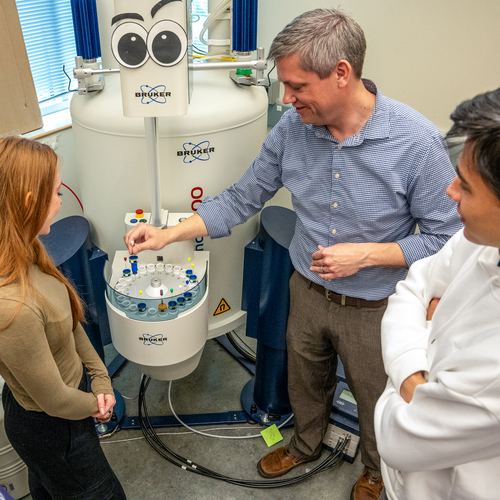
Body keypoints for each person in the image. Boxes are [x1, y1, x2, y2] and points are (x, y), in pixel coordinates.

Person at [124, 9, 461, 499]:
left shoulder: (417, 143)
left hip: (375, 305)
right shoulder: (291, 130)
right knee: (305, 381)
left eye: (297, 86)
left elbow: (444, 238)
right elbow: (244, 197)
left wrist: (367, 255)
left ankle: (374, 470)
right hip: (306, 290)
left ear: (342, 73)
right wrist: (168, 235)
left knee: (375, 398)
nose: (286, 100)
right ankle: (305, 444)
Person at [374, 89, 500, 500]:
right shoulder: (481, 239)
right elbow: (411, 287)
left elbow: (399, 437)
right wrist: (422, 379)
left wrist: (405, 375)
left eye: (465, 185)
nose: (450, 192)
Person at [0, 136, 127, 500]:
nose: (60, 202)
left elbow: (68, 323)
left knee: (51, 490)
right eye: (56, 193)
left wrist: (101, 379)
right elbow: (55, 400)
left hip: (71, 407)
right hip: (53, 426)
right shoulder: (12, 307)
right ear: (29, 202)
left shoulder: (27, 247)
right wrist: (98, 405)